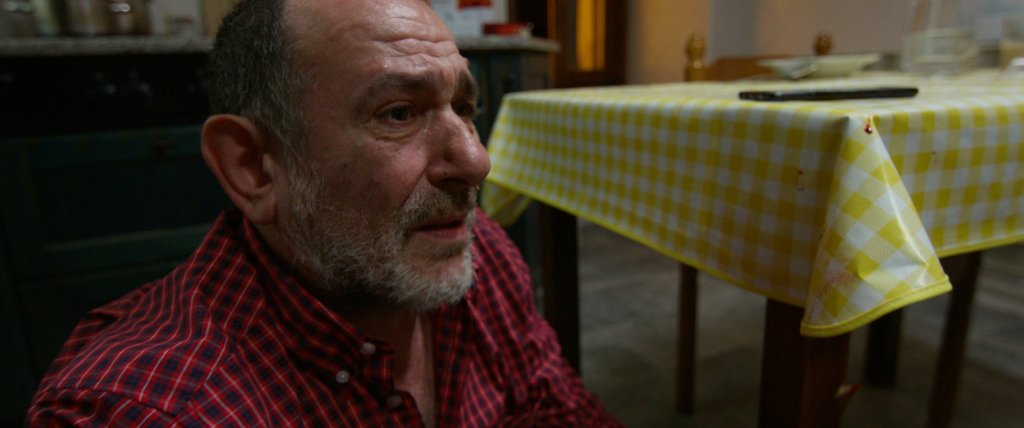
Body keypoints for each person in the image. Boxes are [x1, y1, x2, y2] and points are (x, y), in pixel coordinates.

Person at [26, 0, 622, 426]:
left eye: (464, 107)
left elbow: (559, 408)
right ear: (252, 167)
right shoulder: (153, 409)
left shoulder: (477, 250)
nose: (476, 160)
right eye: (398, 113)